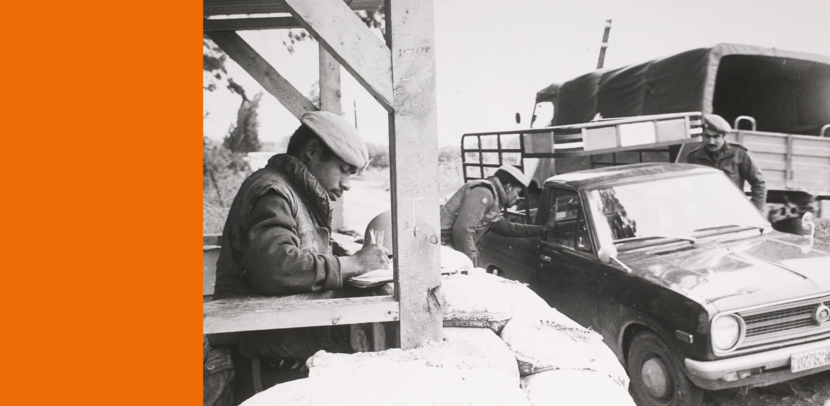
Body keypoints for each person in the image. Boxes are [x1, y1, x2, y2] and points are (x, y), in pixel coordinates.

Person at [209, 111, 390, 401]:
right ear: (312, 150)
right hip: (264, 364)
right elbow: (273, 266)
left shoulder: (294, 193)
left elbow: (301, 246)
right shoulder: (274, 192)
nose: (347, 184)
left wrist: (345, 256)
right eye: (343, 169)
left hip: (281, 355)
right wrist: (353, 264)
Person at [440, 164, 551, 266]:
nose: (518, 198)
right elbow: (463, 230)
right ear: (508, 187)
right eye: (518, 192)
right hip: (444, 250)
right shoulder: (484, 193)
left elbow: (509, 228)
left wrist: (543, 229)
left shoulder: (493, 198)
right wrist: (474, 264)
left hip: (451, 250)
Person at [686, 114, 766, 210]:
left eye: (716, 137)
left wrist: (754, 211)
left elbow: (759, 183)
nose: (711, 141)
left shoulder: (738, 153)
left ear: (724, 136)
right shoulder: (694, 157)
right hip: (706, 212)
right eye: (707, 136)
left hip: (733, 211)